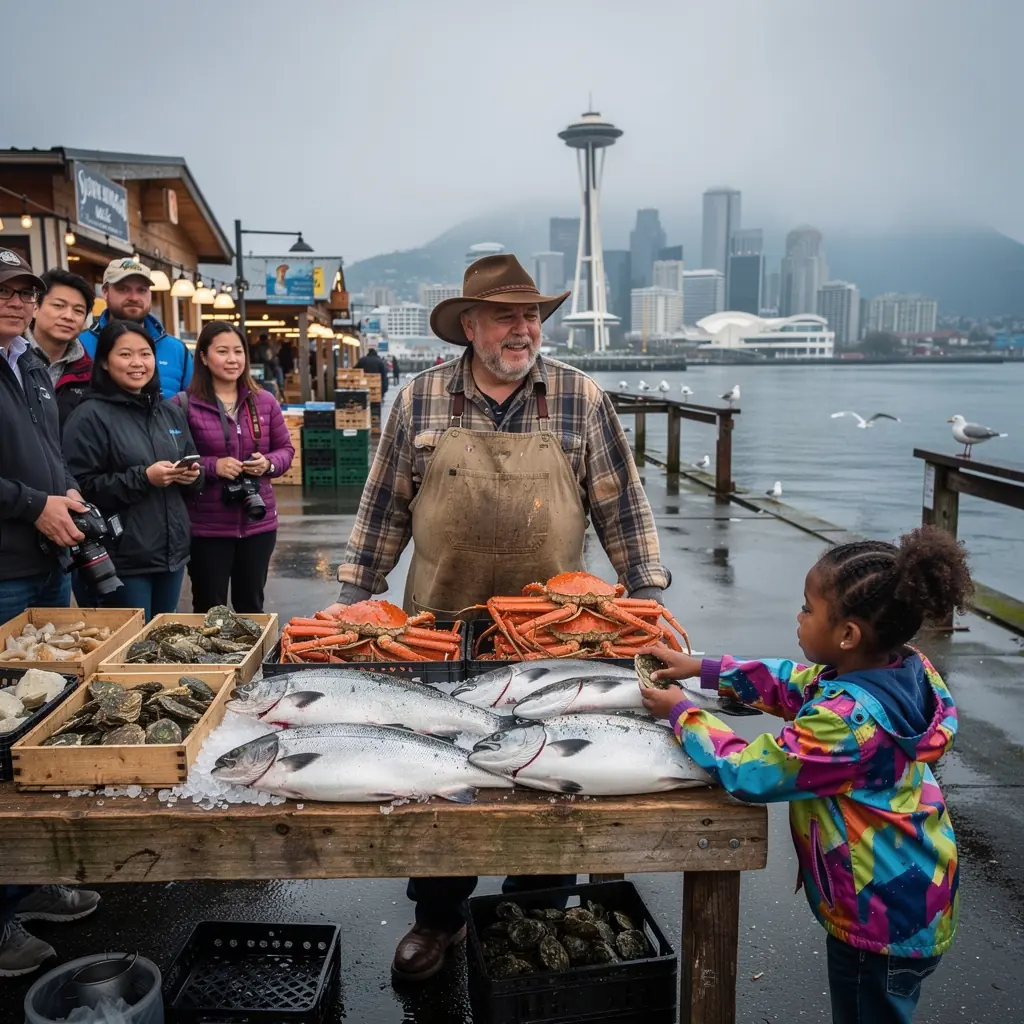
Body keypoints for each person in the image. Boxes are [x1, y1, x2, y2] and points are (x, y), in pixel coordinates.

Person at [332, 254, 670, 982]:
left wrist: (647, 600)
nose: (523, 330)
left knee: (550, 770)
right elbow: (383, 507)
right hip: (437, 630)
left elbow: (623, 508)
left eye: (532, 316)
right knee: (437, 770)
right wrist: (353, 598)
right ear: (469, 326)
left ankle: (533, 912)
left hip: (553, 634)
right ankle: (439, 916)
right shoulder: (420, 400)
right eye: (506, 317)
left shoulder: (580, 398)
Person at [641, 527, 971, 1024]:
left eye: (807, 609)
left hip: (880, 922)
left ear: (847, 635)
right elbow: (795, 684)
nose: (798, 617)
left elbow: (750, 772)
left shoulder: (846, 724)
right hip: (912, 892)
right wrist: (703, 669)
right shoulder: (899, 671)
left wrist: (681, 713)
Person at [0, 248, 100, 977]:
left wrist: (64, 494)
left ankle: (25, 880)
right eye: (3, 290)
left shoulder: (29, 365)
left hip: (43, 560)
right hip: (3, 568)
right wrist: (33, 503)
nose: (15, 300)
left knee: (42, 717)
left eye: (22, 291)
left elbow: (46, 451)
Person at [63, 319, 202, 620]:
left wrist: (192, 476)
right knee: (131, 643)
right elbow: (80, 487)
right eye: (125, 354)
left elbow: (193, 462)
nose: (137, 363)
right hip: (122, 558)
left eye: (145, 354)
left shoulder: (170, 412)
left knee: (165, 636)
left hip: (172, 553)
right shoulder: (89, 416)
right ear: (104, 362)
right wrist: (144, 478)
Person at [177, 322, 294, 614]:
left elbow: (286, 450)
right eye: (222, 351)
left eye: (238, 351)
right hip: (207, 528)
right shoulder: (184, 405)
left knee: (251, 608)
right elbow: (176, 459)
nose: (232, 359)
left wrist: (268, 463)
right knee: (208, 609)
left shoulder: (264, 401)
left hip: (258, 522)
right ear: (203, 357)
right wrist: (213, 465)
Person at [79, 257, 192, 400]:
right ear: (105, 292)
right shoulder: (79, 346)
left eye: (142, 290)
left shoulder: (177, 351)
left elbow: (195, 406)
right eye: (123, 289)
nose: (134, 297)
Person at [28, 268, 94, 429]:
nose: (68, 316)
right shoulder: (10, 357)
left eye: (78, 311)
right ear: (35, 307)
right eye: (58, 305)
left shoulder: (90, 373)